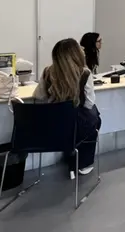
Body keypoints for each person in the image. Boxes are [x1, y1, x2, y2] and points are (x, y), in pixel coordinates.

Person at [33, 38, 101, 177]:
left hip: (53, 126)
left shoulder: (47, 72)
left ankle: (70, 152)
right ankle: (83, 162)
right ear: (76, 54)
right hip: (77, 126)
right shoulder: (85, 73)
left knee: (85, 119)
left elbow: (39, 97)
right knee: (95, 118)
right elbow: (89, 103)